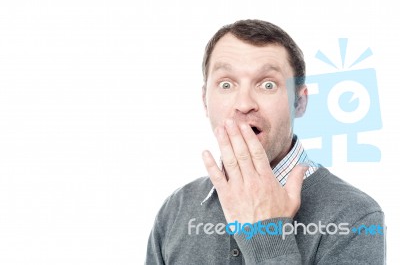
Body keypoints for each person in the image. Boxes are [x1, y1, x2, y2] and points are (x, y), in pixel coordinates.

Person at [146, 19, 385, 264]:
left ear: (300, 103)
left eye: (267, 85)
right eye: (226, 84)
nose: (244, 103)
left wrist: (265, 239)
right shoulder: (175, 209)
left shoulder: (356, 217)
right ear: (205, 101)